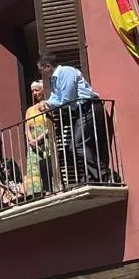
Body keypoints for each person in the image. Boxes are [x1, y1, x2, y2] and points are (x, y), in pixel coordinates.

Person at [37, 51, 108, 186]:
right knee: (79, 145)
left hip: (89, 106)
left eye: (41, 70)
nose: (42, 74)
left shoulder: (66, 72)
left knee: (78, 144)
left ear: (47, 66)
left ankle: (104, 174)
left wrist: (49, 104)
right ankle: (93, 176)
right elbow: (55, 98)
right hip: (82, 109)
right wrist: (46, 103)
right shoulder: (55, 79)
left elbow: (67, 99)